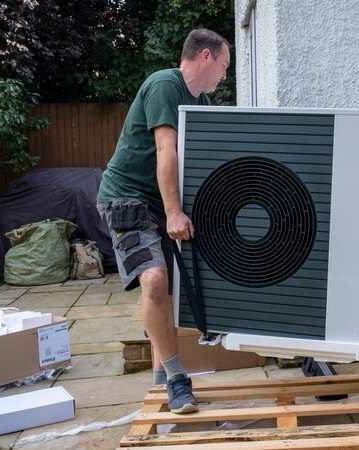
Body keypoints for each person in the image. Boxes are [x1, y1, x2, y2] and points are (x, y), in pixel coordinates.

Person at [96, 28, 230, 414]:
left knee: (169, 293)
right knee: (154, 281)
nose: (223, 75)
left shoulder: (200, 100)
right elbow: (165, 149)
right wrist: (173, 212)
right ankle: (176, 378)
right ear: (205, 57)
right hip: (127, 199)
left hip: (160, 201)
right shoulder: (164, 86)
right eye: (223, 66)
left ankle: (161, 385)